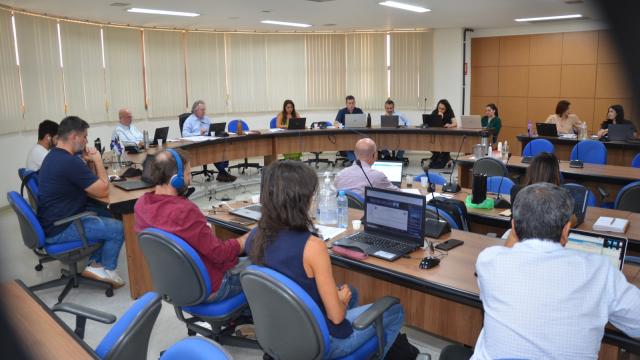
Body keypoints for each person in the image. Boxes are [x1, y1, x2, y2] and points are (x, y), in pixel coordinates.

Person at [245, 161, 404, 358]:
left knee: (351, 292)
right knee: (394, 309)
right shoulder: (312, 247)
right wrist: (341, 302)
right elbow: (336, 317)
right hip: (319, 343)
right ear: (303, 200)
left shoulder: (255, 236)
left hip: (280, 332)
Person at [473, 183, 640, 359]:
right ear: (566, 230)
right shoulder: (601, 271)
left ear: (513, 227)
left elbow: (507, 252)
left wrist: (516, 232)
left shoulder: (489, 260)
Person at [134, 148, 248, 302]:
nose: (190, 179)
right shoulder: (184, 211)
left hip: (177, 285)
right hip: (213, 286)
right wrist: (245, 239)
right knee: (268, 267)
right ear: (176, 179)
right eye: (188, 174)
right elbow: (219, 254)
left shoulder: (141, 204)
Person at [37, 116, 125, 287]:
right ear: (74, 137)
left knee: (105, 212)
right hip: (61, 228)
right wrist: (98, 160)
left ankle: (95, 264)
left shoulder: (54, 156)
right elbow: (102, 189)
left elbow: (88, 182)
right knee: (118, 228)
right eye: (85, 136)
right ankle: (106, 269)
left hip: (53, 220)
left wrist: (86, 163)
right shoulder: (68, 162)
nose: (86, 141)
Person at [182, 100, 236, 183]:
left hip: (208, 141)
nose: (204, 112)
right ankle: (223, 173)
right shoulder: (189, 121)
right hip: (196, 145)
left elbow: (212, 129)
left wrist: (217, 131)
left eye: (204, 109)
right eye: (202, 110)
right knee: (213, 152)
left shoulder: (206, 118)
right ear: (195, 110)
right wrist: (198, 133)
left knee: (222, 145)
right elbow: (184, 134)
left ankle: (223, 172)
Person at [334, 138, 399, 197]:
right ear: (375, 155)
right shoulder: (378, 176)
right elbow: (399, 195)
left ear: (355, 153)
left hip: (346, 209)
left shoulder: (339, 175)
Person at [429, 99, 457, 169]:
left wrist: (450, 125)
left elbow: (455, 123)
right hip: (436, 134)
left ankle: (444, 157)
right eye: (439, 108)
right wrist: (438, 118)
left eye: (442, 109)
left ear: (446, 108)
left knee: (445, 145)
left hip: (446, 135)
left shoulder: (450, 112)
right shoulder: (435, 112)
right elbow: (430, 122)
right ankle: (438, 155)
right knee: (429, 142)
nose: (440, 110)